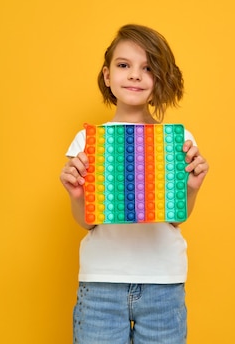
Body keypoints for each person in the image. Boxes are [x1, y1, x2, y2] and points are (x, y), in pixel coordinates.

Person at [59, 24, 209, 344]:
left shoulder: (178, 140)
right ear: (107, 74)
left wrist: (192, 188)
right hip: (100, 282)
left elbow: (175, 216)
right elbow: (88, 221)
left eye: (148, 68)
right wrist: (76, 195)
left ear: (161, 78)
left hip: (163, 284)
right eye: (124, 65)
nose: (135, 76)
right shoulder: (88, 140)